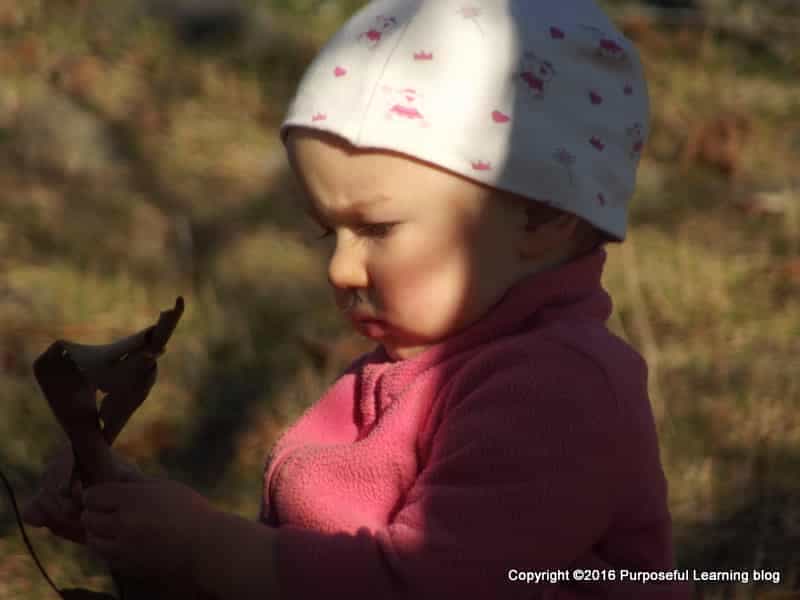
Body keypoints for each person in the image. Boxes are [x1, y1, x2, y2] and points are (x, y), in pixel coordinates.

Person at [24, 0, 693, 597]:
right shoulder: (418, 364)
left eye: (377, 228)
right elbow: (319, 559)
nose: (340, 268)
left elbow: (431, 583)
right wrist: (140, 518)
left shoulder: (559, 392)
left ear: (542, 217)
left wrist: (214, 553)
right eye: (328, 231)